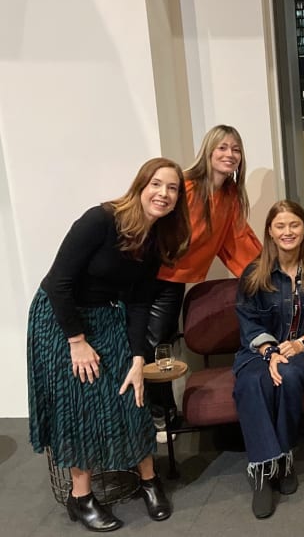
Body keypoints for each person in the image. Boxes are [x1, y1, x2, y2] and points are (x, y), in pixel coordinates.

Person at [27, 157, 191, 531]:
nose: (163, 193)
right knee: (79, 403)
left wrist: (138, 357)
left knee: (133, 393)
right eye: (156, 184)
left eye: (172, 188)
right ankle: (81, 497)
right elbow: (59, 283)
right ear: (141, 185)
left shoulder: (156, 240)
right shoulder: (100, 220)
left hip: (105, 316)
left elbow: (139, 302)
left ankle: (149, 481)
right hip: (62, 318)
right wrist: (76, 341)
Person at [145, 126, 262, 429]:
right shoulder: (184, 185)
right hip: (146, 274)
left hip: (172, 281)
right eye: (222, 147)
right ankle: (158, 415)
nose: (230, 154)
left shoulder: (230, 195)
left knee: (161, 347)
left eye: (236, 149)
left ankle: (161, 413)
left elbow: (237, 239)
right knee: (149, 346)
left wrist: (267, 275)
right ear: (208, 151)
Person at [233, 200, 304, 519]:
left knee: (291, 376)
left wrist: (299, 344)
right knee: (253, 382)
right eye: (280, 226)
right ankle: (266, 471)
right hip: (257, 351)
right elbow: (248, 323)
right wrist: (271, 352)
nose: (287, 231)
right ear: (270, 231)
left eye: (294, 225)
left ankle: (282, 460)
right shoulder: (254, 273)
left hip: (301, 351)